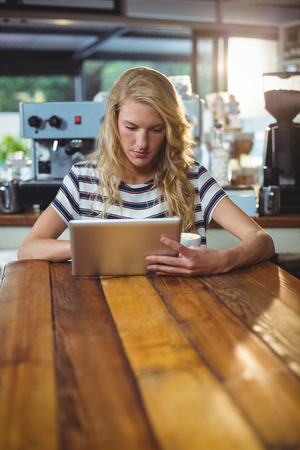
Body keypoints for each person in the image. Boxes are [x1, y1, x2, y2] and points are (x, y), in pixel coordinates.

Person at [18, 67, 274, 276]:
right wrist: (94, 246)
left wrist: (222, 261)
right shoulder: (83, 179)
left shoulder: (193, 177)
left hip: (187, 309)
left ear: (170, 129)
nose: (142, 143)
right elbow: (29, 248)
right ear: (114, 121)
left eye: (156, 129)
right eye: (131, 127)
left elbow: (262, 241)